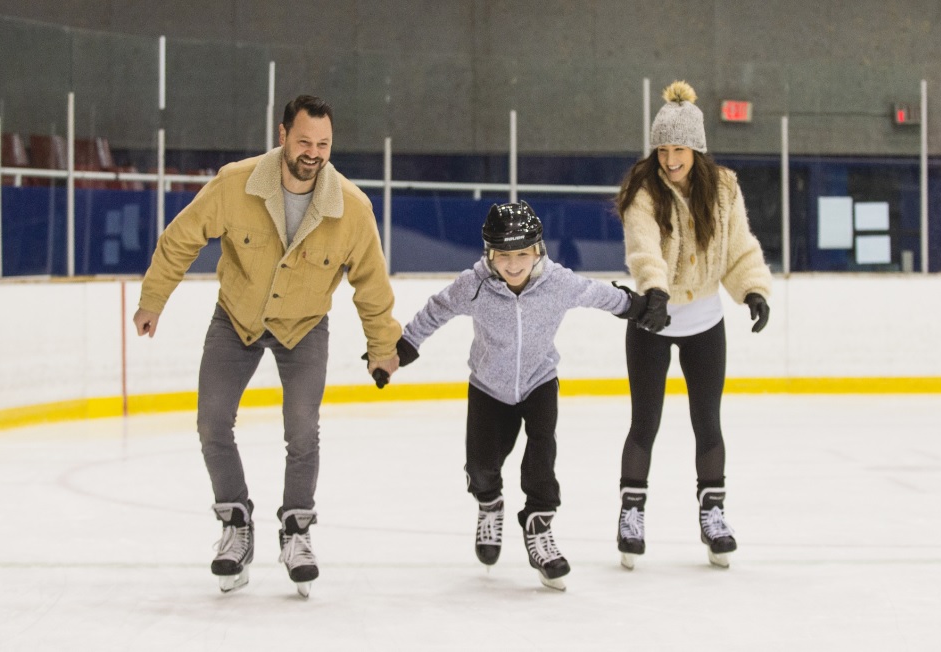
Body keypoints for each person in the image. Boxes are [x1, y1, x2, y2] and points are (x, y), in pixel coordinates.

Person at [132, 95, 401, 597]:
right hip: (237, 319)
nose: (313, 152)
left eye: (323, 144)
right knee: (212, 420)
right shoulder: (236, 184)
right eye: (304, 141)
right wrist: (154, 299)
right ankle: (236, 524)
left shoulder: (352, 208)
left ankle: (297, 531)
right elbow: (181, 238)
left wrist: (383, 345)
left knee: (303, 430)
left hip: (304, 326)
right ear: (282, 135)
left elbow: (372, 284)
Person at [390, 201, 650, 590]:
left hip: (539, 381)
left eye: (523, 254)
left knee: (542, 453)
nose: (514, 264)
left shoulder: (557, 283)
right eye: (504, 255)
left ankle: (539, 523)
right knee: (481, 467)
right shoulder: (474, 285)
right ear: (489, 254)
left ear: (538, 251)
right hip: (488, 388)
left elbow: (596, 294)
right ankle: (489, 503)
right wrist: (407, 344)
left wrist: (635, 306)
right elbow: (437, 309)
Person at [613, 81, 773, 570]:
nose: (669, 159)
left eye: (678, 149)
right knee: (646, 421)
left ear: (696, 148)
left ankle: (713, 513)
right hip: (652, 320)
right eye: (663, 149)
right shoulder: (644, 189)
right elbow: (643, 247)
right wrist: (655, 291)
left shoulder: (723, 188)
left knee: (708, 422)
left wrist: (753, 289)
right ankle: (631, 513)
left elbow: (738, 246)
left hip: (704, 319)